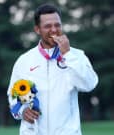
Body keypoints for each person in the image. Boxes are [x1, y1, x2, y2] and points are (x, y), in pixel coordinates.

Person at [7, 3, 98, 135]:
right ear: (37, 29)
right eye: (48, 26)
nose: (54, 30)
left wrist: (67, 55)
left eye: (57, 25)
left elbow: (90, 84)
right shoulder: (24, 60)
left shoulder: (76, 55)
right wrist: (22, 111)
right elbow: (13, 95)